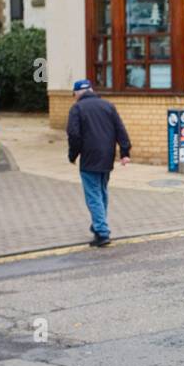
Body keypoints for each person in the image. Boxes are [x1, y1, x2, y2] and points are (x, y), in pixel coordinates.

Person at [66, 79, 131, 247]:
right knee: (101, 191)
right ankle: (98, 225)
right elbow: (120, 130)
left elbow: (74, 135)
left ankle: (102, 232)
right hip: (107, 156)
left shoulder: (77, 108)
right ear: (91, 90)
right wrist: (125, 152)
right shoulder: (108, 106)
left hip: (89, 157)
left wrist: (73, 155)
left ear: (77, 94)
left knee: (93, 195)